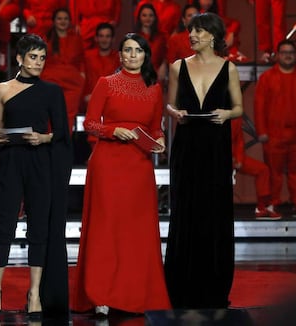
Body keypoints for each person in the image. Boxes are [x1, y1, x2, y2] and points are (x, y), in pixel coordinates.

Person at [71, 33, 171, 315]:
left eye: (137, 51)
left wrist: (160, 139)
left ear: (145, 55)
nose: (131, 55)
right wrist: (113, 130)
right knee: (107, 229)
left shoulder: (154, 87)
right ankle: (101, 294)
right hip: (108, 164)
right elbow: (89, 123)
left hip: (139, 165)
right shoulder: (106, 83)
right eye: (127, 50)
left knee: (136, 231)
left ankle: (137, 294)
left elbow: (155, 126)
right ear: (120, 55)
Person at [0, 34, 72, 319]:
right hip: (11, 160)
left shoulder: (51, 91)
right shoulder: (2, 89)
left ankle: (34, 291)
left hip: (40, 161)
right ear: (19, 59)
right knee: (6, 225)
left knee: (38, 227)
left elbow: (61, 131)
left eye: (42, 57)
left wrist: (44, 138)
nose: (38, 62)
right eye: (33, 57)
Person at [164, 12, 243, 308]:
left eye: (197, 31)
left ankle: (214, 284)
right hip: (187, 145)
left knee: (214, 211)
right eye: (190, 31)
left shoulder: (229, 68)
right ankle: (181, 284)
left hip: (215, 147)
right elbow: (170, 104)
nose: (192, 35)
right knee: (186, 210)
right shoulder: (177, 67)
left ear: (212, 35)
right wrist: (175, 113)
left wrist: (226, 114)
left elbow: (238, 108)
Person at [254, 39, 296, 218]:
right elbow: (259, 106)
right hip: (274, 134)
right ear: (278, 55)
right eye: (284, 52)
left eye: (291, 52)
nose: (287, 55)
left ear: (295, 55)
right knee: (273, 173)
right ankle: (272, 205)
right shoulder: (267, 78)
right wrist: (262, 131)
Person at [42, 8, 85, 136]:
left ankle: (64, 146)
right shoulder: (46, 38)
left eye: (65, 19)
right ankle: (50, 146)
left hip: (72, 85)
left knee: (68, 118)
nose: (62, 21)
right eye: (59, 18)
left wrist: (82, 75)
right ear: (54, 21)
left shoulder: (76, 38)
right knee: (51, 116)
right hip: (51, 81)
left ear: (70, 21)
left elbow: (81, 60)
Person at [231, 117, 281, 220]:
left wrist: (239, 160)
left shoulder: (235, 118)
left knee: (263, 170)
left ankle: (262, 207)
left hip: (235, 157)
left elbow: (239, 141)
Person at [83, 22, 120, 149]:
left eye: (108, 36)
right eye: (101, 36)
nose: (104, 39)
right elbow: (83, 80)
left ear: (113, 39)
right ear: (96, 38)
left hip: (112, 101)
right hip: (91, 100)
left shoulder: (119, 58)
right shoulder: (87, 57)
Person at [135, 3, 168, 82]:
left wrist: (164, 65)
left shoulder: (161, 37)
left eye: (151, 15)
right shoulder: (134, 38)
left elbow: (166, 55)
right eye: (144, 15)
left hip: (157, 77)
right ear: (139, 18)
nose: (147, 18)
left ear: (155, 18)